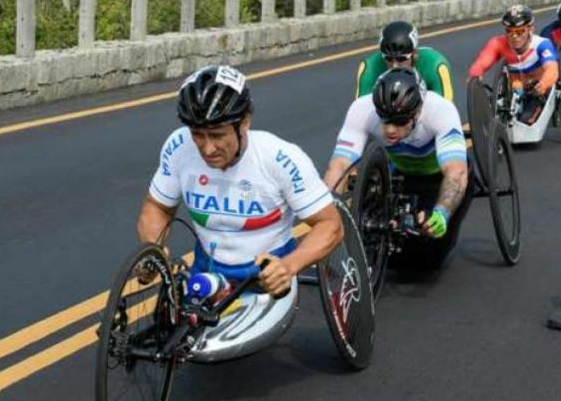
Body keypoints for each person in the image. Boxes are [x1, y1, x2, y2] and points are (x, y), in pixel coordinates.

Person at [137, 65, 343, 298]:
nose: (207, 148)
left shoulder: (280, 158)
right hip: (208, 270)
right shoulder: (179, 146)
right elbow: (157, 207)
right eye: (197, 134)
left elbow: (330, 225)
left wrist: (288, 266)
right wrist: (153, 247)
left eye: (217, 135)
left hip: (264, 275)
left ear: (244, 122)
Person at [324, 67, 470, 260]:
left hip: (437, 177)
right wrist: (326, 214)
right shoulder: (362, 109)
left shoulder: (440, 110)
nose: (390, 129)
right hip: (399, 173)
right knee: (385, 253)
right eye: (384, 119)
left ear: (417, 112)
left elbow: (456, 172)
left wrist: (442, 212)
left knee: (429, 258)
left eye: (400, 122)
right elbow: (339, 166)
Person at [467, 4, 559, 125]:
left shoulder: (542, 44)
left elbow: (552, 69)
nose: (514, 36)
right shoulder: (497, 43)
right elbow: (482, 62)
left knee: (526, 120)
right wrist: (475, 75)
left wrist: (544, 84)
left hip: (536, 90)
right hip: (512, 90)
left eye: (520, 31)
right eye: (509, 32)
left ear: (530, 29)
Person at [354, 21, 455, 101]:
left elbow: (447, 111)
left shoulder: (436, 66)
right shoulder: (369, 68)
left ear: (414, 54)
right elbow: (360, 111)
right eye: (388, 59)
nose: (394, 66)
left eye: (401, 59)